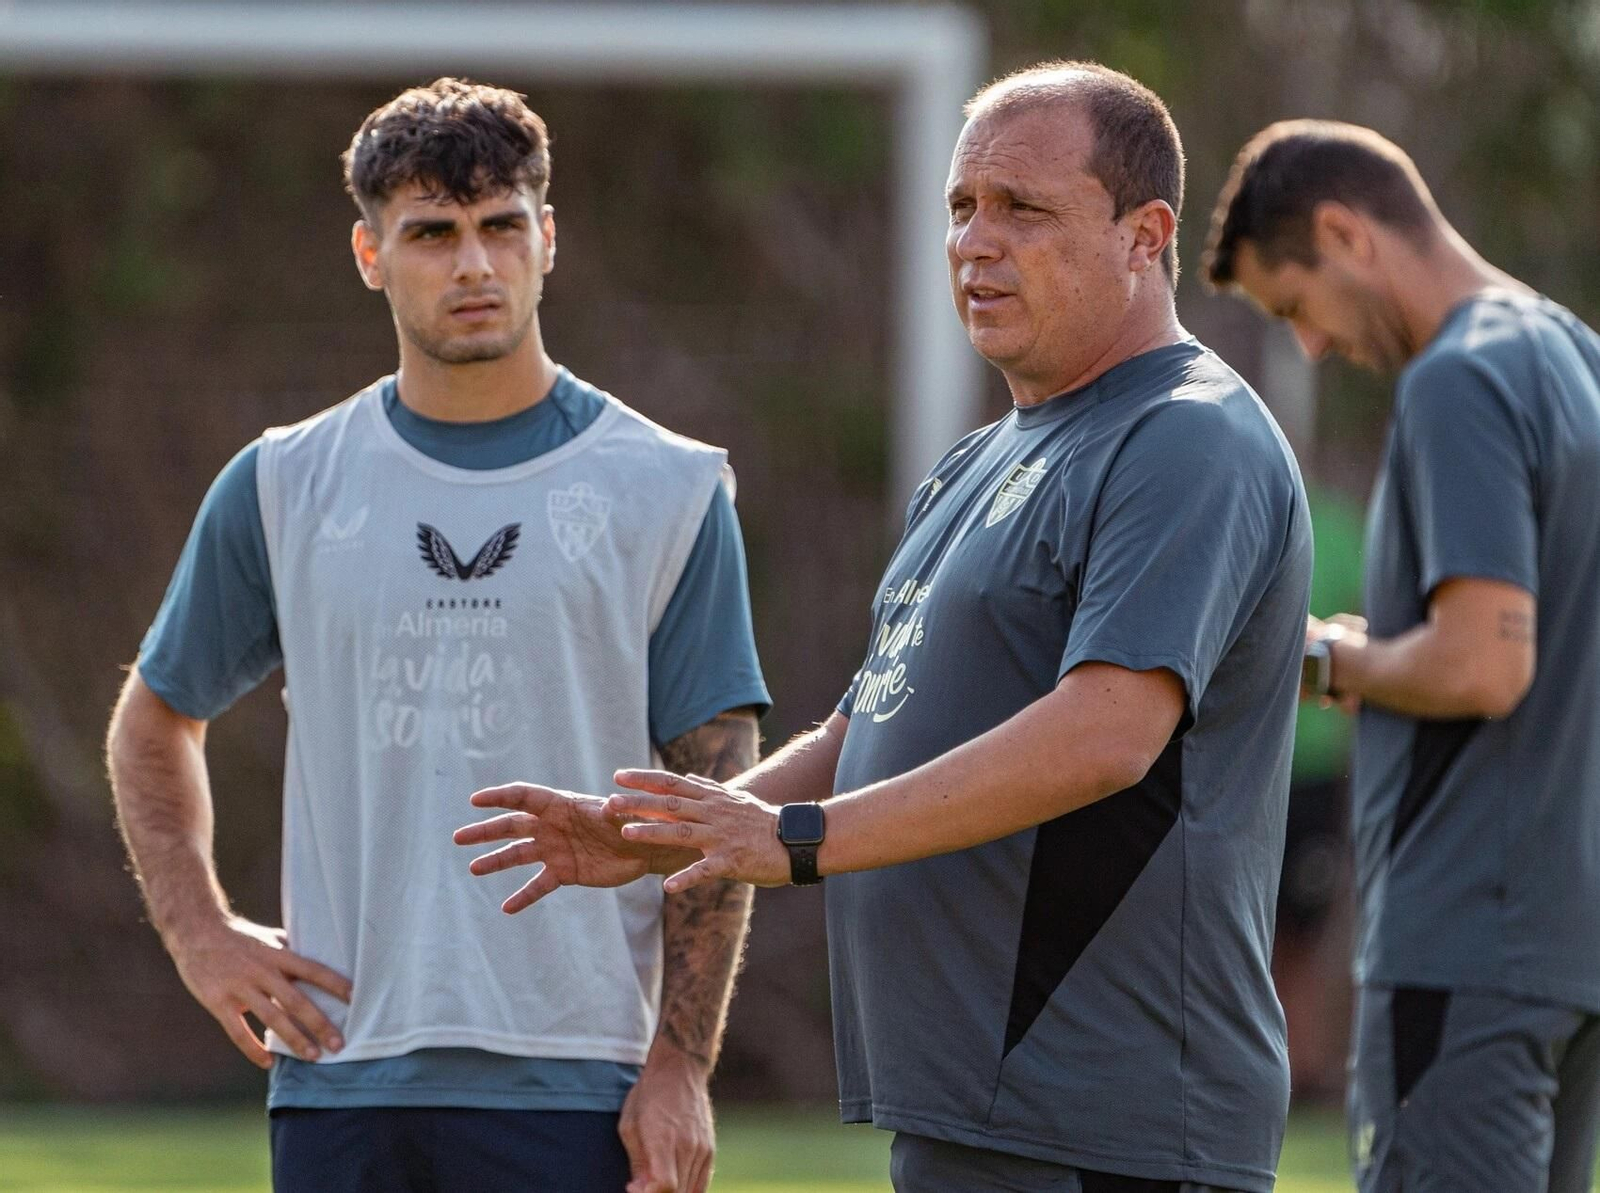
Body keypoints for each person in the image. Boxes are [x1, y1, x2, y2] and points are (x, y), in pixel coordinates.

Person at [457, 61, 1310, 1193]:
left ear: (1143, 234)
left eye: (1023, 208)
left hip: (1112, 1122)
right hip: (975, 1110)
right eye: (961, 207)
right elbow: (873, 725)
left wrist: (802, 841)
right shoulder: (976, 461)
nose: (974, 241)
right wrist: (660, 831)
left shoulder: (1186, 437)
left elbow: (1109, 733)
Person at [105, 78, 770, 1193]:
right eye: (432, 234)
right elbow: (154, 717)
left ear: (546, 238)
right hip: (340, 1071)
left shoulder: (668, 487)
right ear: (370, 253)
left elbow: (716, 795)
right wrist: (200, 931)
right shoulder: (283, 483)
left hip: (581, 1078)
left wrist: (681, 1061)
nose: (474, 264)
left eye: (501, 226)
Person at [1204, 119, 1600, 1193]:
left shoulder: (1457, 377)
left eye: (1296, 306)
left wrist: (1327, 659)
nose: (1314, 345)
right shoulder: (1572, 353)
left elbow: (1483, 663)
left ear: (1344, 232)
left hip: (1468, 942)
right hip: (1568, 944)